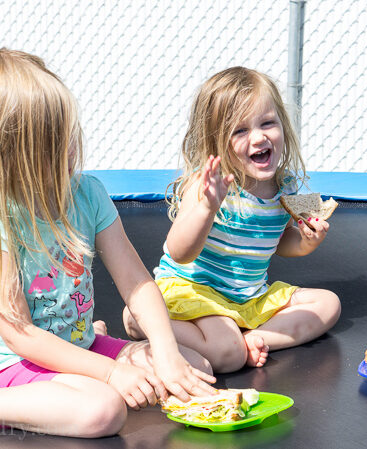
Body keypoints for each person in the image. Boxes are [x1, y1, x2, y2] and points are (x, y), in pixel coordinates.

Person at [0, 48, 216, 438]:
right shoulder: (4, 218)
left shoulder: (88, 194)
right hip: (15, 361)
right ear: (17, 155)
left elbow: (135, 281)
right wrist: (112, 372)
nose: (69, 149)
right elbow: (20, 335)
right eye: (53, 143)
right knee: (102, 410)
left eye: (68, 133)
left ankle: (90, 357)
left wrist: (165, 352)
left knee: (193, 368)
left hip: (77, 346)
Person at [123, 66, 341, 374]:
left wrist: (306, 240)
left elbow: (280, 243)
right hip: (195, 291)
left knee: (328, 305)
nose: (259, 137)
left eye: (268, 123)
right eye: (240, 131)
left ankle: (256, 338)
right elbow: (178, 251)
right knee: (228, 355)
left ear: (283, 125)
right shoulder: (207, 185)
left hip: (247, 297)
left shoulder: (286, 187)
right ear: (217, 142)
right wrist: (206, 209)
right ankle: (142, 320)